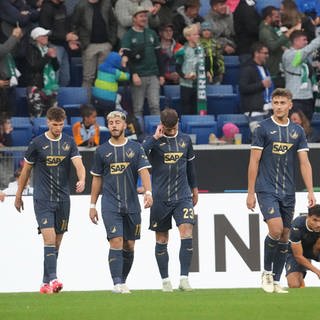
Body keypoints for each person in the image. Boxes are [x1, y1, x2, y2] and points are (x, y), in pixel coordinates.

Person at [246, 88, 316, 294]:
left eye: (282, 103)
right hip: (266, 189)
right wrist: (250, 192)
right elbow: (253, 161)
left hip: (288, 191)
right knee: (275, 230)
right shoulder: (262, 128)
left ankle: (276, 281)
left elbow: (304, 163)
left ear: (290, 105)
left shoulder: (298, 131)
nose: (278, 106)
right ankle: (266, 274)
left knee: (285, 236)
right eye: (275, 103)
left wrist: (311, 191)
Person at [14, 106, 86, 294]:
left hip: (63, 199)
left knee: (56, 245)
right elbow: (26, 171)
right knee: (49, 239)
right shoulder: (37, 143)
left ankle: (45, 282)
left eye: (61, 125)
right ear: (47, 122)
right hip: (43, 199)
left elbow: (79, 164)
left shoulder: (69, 142)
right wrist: (19, 195)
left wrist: (82, 179)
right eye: (54, 125)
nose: (58, 128)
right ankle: (54, 279)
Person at [89, 110, 153, 294]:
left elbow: (144, 172)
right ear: (108, 126)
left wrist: (148, 192)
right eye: (111, 123)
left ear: (124, 125)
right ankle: (116, 283)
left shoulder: (136, 148)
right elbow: (96, 179)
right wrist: (92, 205)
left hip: (132, 205)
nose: (114, 125)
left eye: (118, 122)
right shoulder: (101, 151)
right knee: (116, 241)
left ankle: (122, 281)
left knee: (129, 245)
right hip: (110, 205)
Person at [142, 108, 198, 292]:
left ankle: (184, 279)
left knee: (187, 231)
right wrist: (154, 138)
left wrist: (194, 189)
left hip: (182, 196)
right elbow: (138, 154)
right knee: (162, 238)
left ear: (178, 123)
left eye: (173, 128)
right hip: (160, 197)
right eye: (167, 128)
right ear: (161, 125)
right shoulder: (155, 141)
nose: (170, 131)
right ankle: (166, 281)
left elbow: (191, 167)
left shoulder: (185, 140)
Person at [121, 6, 165, 117]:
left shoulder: (152, 33)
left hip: (153, 75)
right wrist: (133, 74)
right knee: (138, 109)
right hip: (138, 76)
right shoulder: (128, 35)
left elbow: (159, 55)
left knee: (155, 106)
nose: (144, 18)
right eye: (141, 16)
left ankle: (158, 133)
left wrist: (161, 74)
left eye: (145, 16)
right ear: (134, 18)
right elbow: (126, 57)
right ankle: (139, 134)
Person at [282, 30, 320, 121]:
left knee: (307, 127)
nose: (306, 42)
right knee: (296, 129)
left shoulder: (305, 58)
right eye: (304, 40)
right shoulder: (290, 55)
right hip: (295, 98)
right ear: (296, 41)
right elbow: (308, 50)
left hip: (308, 97)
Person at [26, 27, 60, 117]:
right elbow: (34, 66)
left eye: (46, 36)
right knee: (37, 114)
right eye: (43, 36)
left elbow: (56, 67)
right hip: (36, 86)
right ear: (36, 38)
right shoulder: (31, 49)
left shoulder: (48, 48)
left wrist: (54, 57)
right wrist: (47, 56)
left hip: (49, 87)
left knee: (53, 115)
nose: (46, 37)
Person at [239, 42, 273, 128]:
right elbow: (243, 88)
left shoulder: (265, 68)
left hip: (267, 110)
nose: (267, 56)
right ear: (256, 53)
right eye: (265, 53)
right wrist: (261, 84)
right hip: (254, 111)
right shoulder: (247, 68)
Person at [285, 205, 320, 288]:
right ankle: (300, 279)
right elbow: (298, 256)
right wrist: (317, 271)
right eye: (315, 220)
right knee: (294, 284)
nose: (318, 224)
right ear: (308, 217)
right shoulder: (297, 226)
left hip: (315, 249)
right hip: (296, 252)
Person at [175, 23, 203, 115]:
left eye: (198, 34)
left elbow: (204, 64)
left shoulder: (201, 49)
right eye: (195, 35)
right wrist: (184, 75)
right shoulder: (182, 51)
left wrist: (206, 72)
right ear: (188, 37)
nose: (197, 36)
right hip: (186, 84)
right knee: (186, 107)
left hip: (199, 84)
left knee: (197, 108)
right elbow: (178, 67)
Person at [92, 51, 130, 116]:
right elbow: (127, 76)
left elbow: (112, 59)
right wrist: (124, 65)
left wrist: (118, 55)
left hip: (95, 99)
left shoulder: (100, 68)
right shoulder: (115, 73)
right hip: (108, 102)